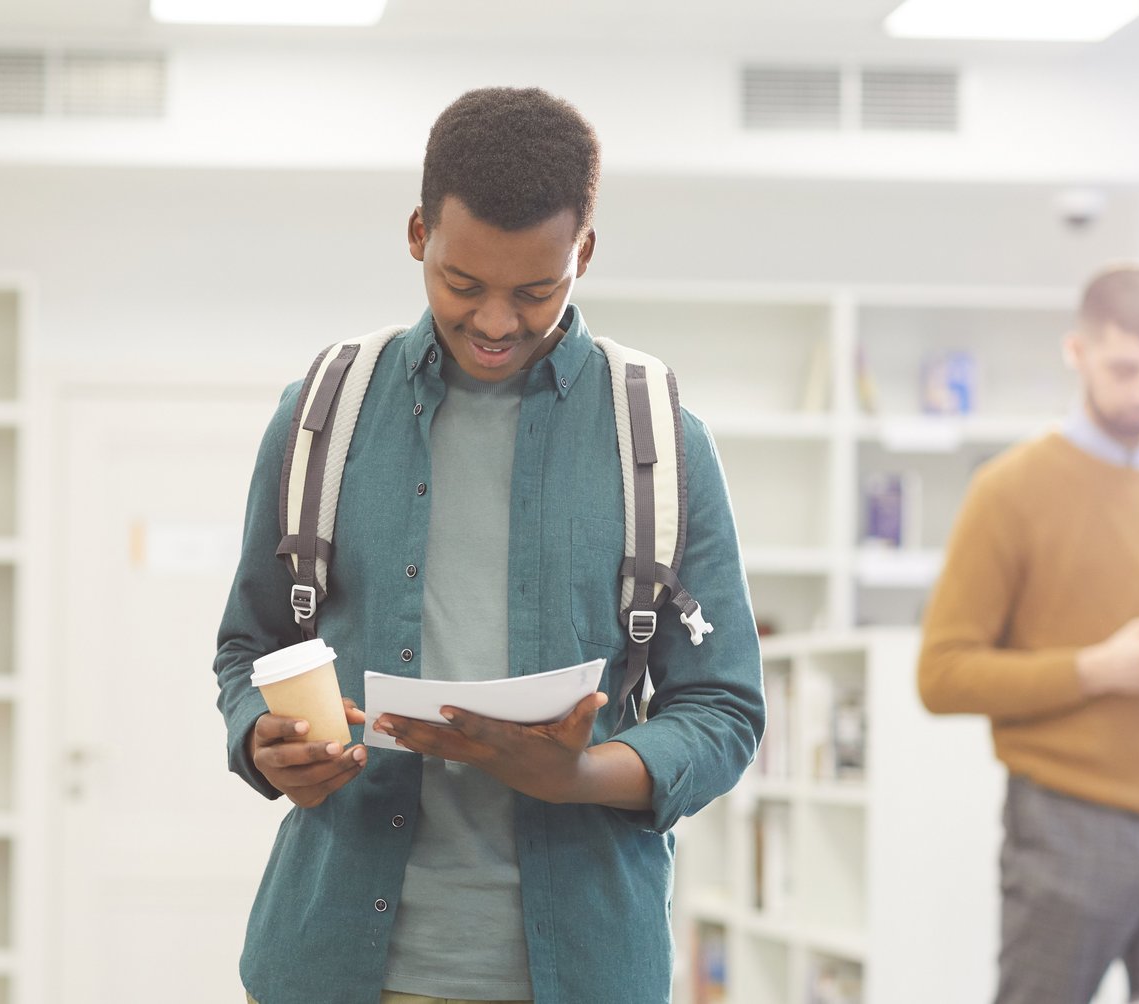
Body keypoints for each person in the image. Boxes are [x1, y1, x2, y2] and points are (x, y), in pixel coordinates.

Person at [212, 87, 765, 1004]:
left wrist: (580, 774)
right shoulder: (320, 417)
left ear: (584, 253)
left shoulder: (663, 442)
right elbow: (251, 646)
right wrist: (263, 740)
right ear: (418, 233)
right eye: (463, 284)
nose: (497, 323)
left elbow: (723, 709)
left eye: (536, 291)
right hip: (331, 962)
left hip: (581, 971)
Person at [918, 264, 1139, 1003]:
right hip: (1065, 825)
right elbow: (941, 675)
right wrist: (1098, 669)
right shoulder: (1010, 489)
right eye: (1124, 369)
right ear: (1077, 353)